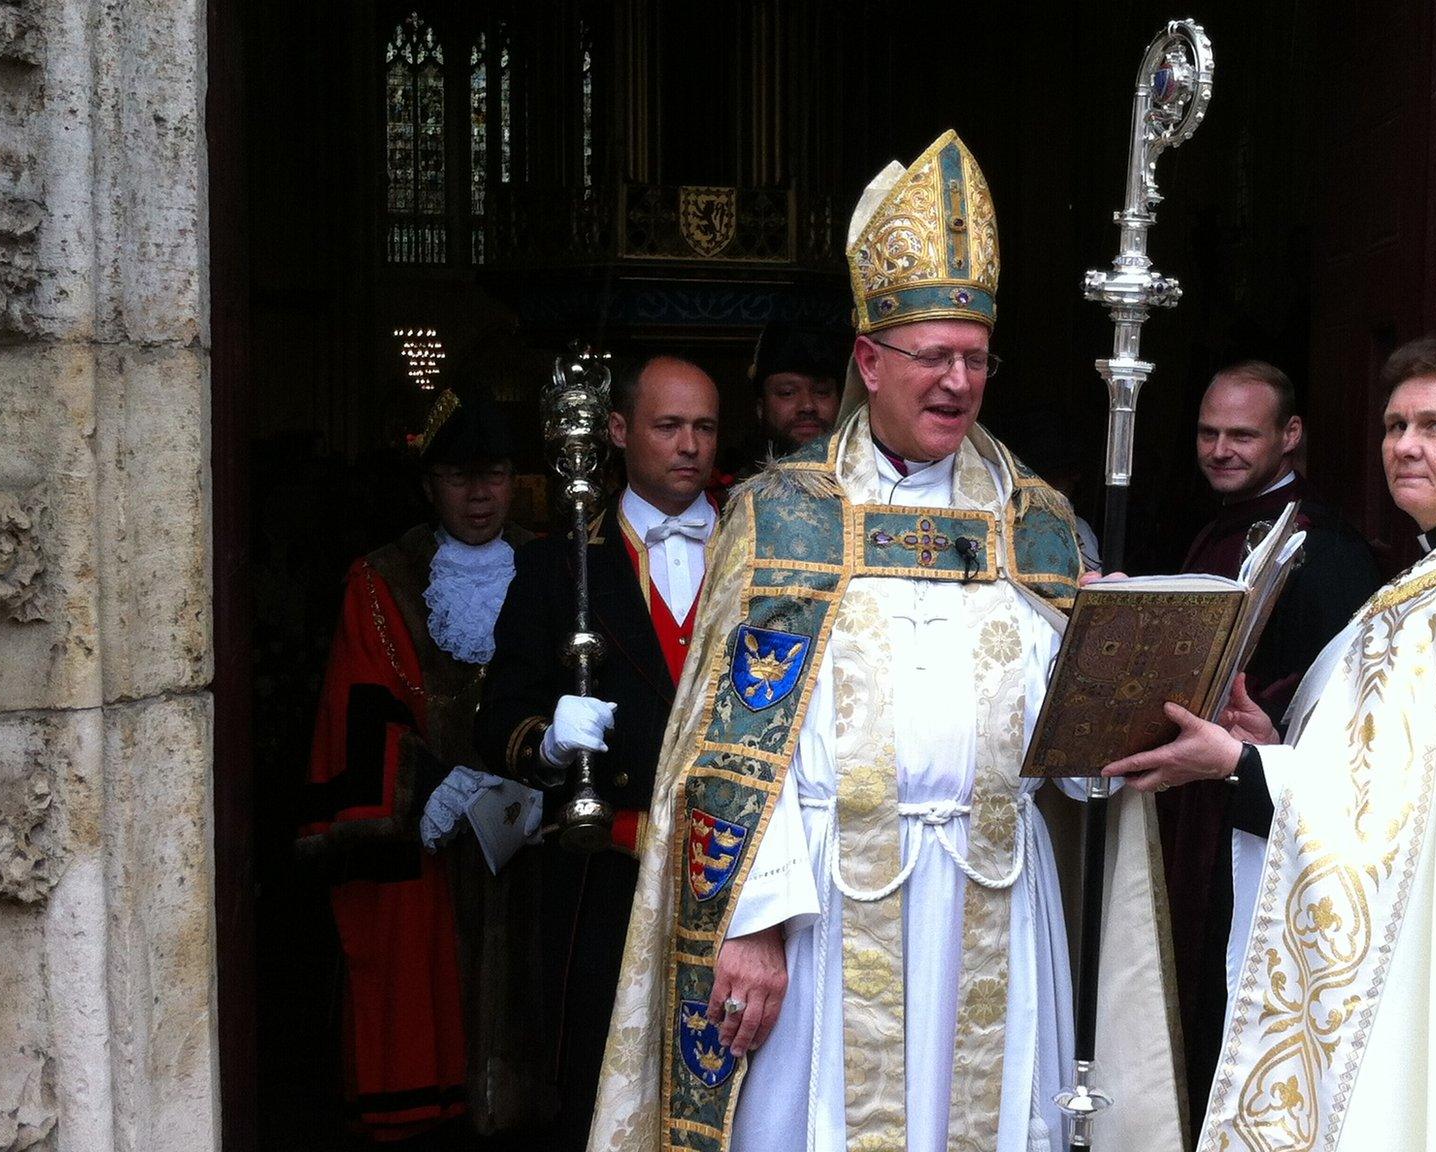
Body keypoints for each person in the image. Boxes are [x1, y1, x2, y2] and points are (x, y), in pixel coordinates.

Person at [586, 130, 1181, 1152]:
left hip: (995, 893)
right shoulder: (786, 515)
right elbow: (734, 741)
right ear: (870, 360)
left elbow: (1081, 773)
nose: (957, 381)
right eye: (933, 357)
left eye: (975, 358)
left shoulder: (1033, 519)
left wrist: (1114, 666)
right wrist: (756, 918)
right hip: (826, 907)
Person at [1104, 328, 1436, 1152]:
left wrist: (1237, 766)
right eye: (1394, 425)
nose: (1405, 447)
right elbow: (1399, 784)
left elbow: (1393, 834)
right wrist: (1274, 742)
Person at [476, 354, 723, 1149]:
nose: (689, 445)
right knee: (601, 1088)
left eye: (705, 427)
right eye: (668, 426)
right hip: (609, 872)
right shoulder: (557, 564)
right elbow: (499, 716)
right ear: (617, 431)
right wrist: (547, 740)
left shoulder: (769, 551)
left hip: (744, 877)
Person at [298, 385, 547, 1138]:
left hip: (537, 833)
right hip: (430, 840)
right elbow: (359, 708)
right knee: (428, 1021)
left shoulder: (554, 566)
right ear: (428, 484)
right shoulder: (383, 579)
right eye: (458, 477)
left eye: (496, 474)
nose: (479, 495)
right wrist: (434, 788)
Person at [1161, 359, 1382, 1122]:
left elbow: (1350, 698)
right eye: (1207, 433)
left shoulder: (1324, 547)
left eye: (1241, 435)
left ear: (1290, 436)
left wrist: (1269, 724)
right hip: (1195, 806)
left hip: (1254, 812)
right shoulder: (1219, 526)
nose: (1219, 449)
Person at [748, 321, 848, 462]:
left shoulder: (869, 480)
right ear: (760, 408)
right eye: (787, 393)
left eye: (821, 392)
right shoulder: (738, 483)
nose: (808, 406)